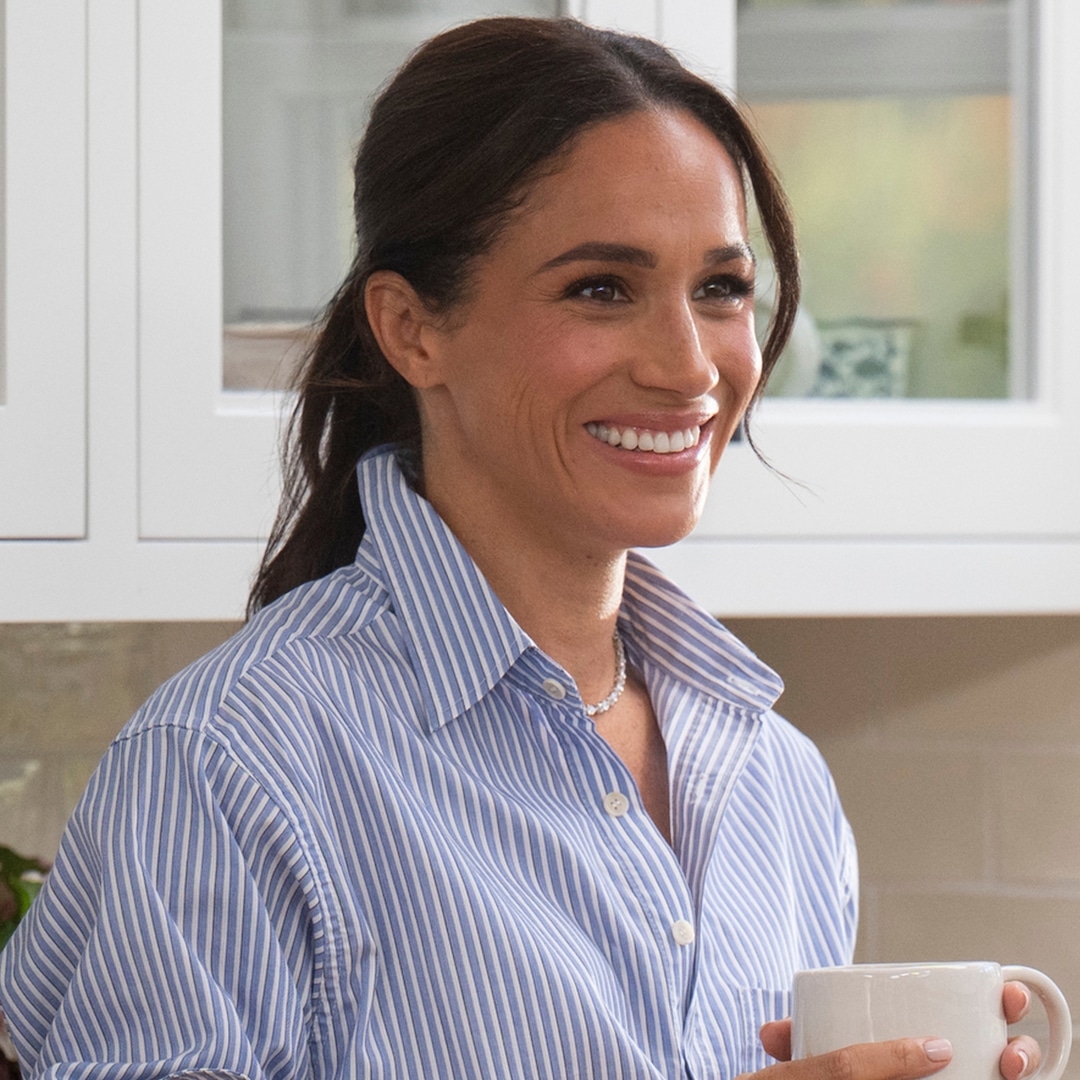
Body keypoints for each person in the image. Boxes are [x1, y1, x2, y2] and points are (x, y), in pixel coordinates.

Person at [0, 16, 1039, 1080]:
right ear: (412, 329)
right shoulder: (229, 762)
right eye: (602, 289)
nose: (690, 368)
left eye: (721, 289)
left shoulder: (779, 784)